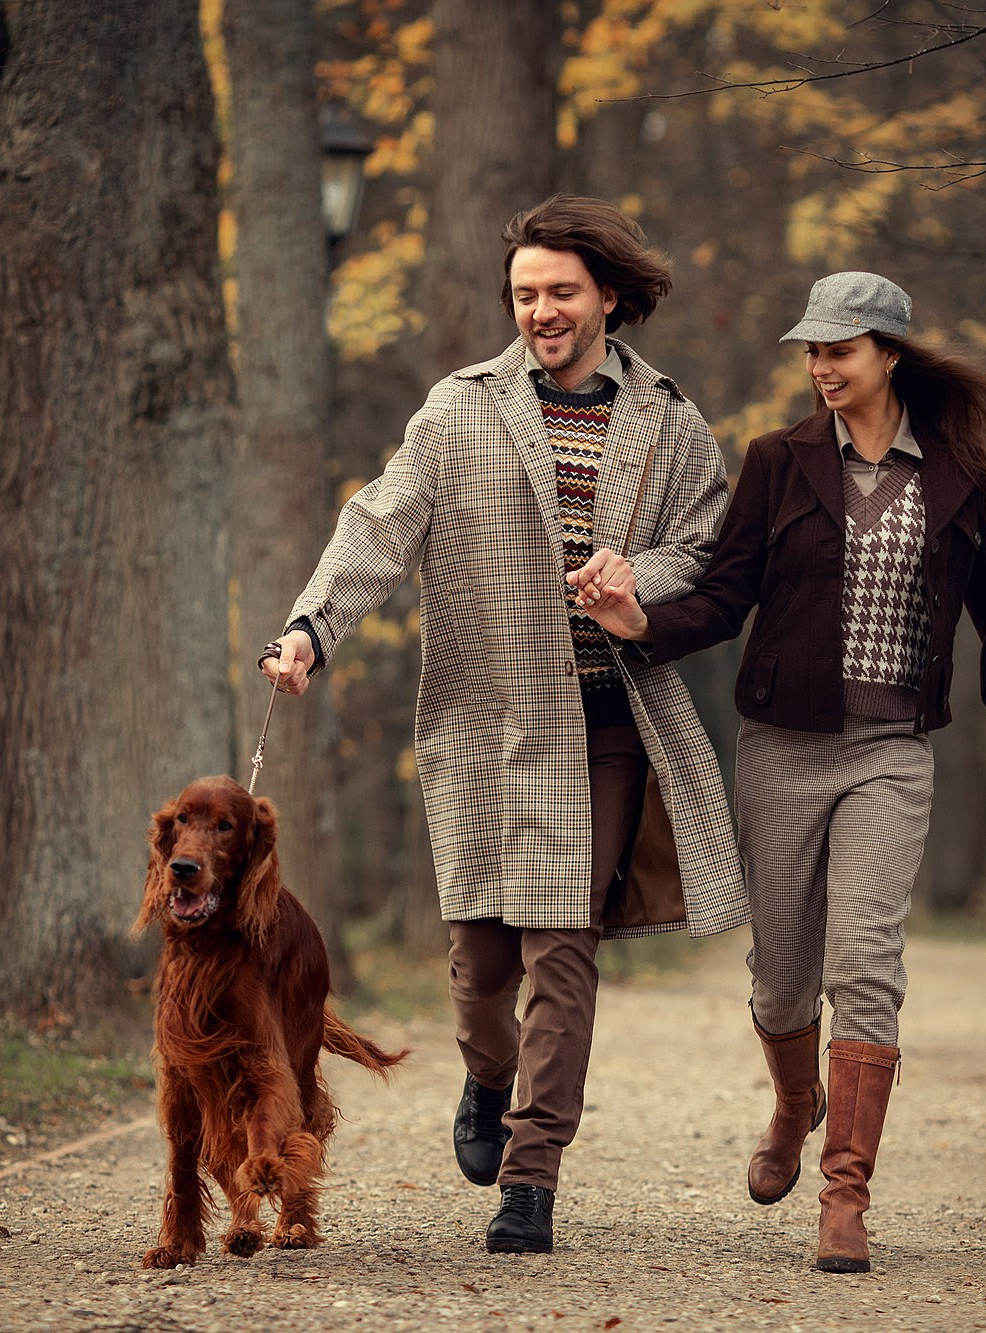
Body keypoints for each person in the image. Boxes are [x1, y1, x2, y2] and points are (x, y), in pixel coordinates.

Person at [260, 196, 745, 1256]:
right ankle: (486, 1076)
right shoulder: (460, 408)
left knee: (562, 950)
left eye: (560, 292)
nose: (540, 311)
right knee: (482, 964)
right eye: (525, 295)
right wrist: (310, 629)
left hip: (606, 722)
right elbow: (378, 521)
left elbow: (706, 546)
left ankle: (530, 1179)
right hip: (483, 719)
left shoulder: (667, 419)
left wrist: (638, 579)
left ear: (606, 297)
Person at [570, 271, 986, 1274]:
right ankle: (795, 1099)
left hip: (890, 754)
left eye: (837, 350)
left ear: (886, 352)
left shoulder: (960, 471)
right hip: (780, 750)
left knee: (864, 965)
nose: (818, 367)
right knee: (781, 980)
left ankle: (845, 1196)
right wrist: (643, 624)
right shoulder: (778, 461)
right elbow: (725, 595)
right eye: (810, 350)